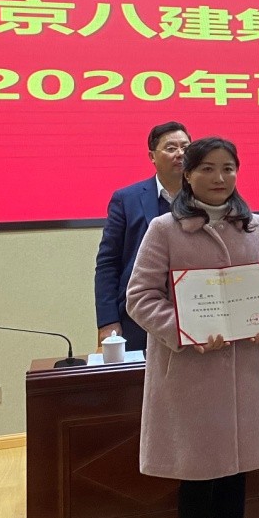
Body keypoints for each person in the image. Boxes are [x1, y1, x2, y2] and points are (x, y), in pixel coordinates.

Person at [126, 136, 259, 518]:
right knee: (197, 477)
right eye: (208, 169)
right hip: (189, 374)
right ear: (187, 175)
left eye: (228, 168)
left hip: (243, 371)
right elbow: (140, 297)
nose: (220, 177)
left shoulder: (253, 226)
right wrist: (185, 331)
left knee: (236, 473)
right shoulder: (164, 229)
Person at [95, 121, 191, 351]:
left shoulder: (205, 198)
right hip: (137, 316)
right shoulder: (127, 199)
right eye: (171, 148)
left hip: (193, 310)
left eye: (186, 147)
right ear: (152, 156)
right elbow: (108, 263)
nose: (180, 154)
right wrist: (108, 321)